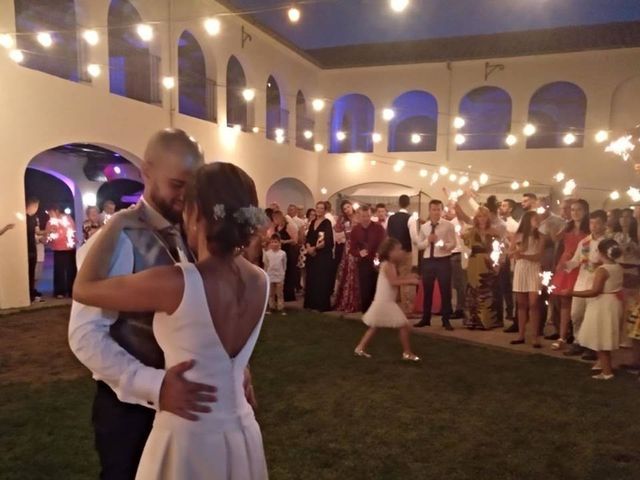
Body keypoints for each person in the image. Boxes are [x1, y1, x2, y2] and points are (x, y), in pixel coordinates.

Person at [69, 130, 255, 480]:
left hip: (196, 410)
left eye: (194, 186)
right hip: (131, 410)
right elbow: (85, 335)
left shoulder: (198, 233)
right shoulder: (117, 240)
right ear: (146, 172)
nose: (187, 197)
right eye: (177, 184)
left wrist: (232, 367)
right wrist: (153, 385)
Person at [354, 238, 421, 361]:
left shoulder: (389, 265)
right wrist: (410, 281)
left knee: (375, 326)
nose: (401, 252)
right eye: (398, 249)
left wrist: (409, 276)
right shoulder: (387, 265)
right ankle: (407, 353)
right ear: (390, 252)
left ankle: (360, 348)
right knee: (404, 325)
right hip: (385, 302)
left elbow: (395, 278)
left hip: (383, 301)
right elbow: (393, 281)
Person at [567, 239, 623, 380]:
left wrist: (572, 293)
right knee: (605, 335)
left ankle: (607, 372)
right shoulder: (617, 267)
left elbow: (595, 291)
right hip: (613, 302)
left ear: (602, 253)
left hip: (603, 304)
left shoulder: (603, 270)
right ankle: (603, 364)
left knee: (601, 336)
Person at [562, 210, 609, 360]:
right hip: (581, 283)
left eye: (597, 223)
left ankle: (591, 346)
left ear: (604, 225)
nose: (593, 226)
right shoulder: (584, 242)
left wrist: (600, 264)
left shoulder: (607, 243)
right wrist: (566, 263)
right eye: (591, 223)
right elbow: (577, 260)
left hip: (597, 285)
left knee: (592, 317)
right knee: (576, 314)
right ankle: (578, 341)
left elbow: (612, 262)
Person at [551, 199, 590, 350]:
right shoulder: (567, 227)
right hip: (567, 265)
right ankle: (562, 335)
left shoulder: (588, 230)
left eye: (578, 209)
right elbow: (555, 237)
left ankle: (580, 337)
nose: (575, 212)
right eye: (573, 209)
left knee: (580, 303)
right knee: (565, 301)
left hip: (581, 265)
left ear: (585, 211)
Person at [414, 199, 456, 331]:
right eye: (434, 209)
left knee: (445, 290)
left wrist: (444, 245)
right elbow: (419, 245)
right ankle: (426, 318)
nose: (436, 212)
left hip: (442, 259)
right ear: (429, 210)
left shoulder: (448, 225)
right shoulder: (425, 227)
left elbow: (453, 243)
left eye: (438, 209)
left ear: (441, 210)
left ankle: (446, 319)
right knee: (427, 290)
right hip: (428, 260)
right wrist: (428, 241)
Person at [463, 207, 502, 330]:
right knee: (473, 289)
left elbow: (498, 249)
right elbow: (465, 243)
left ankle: (486, 321)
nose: (482, 219)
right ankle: (472, 320)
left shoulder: (494, 231)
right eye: (479, 216)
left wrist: (497, 264)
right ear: (476, 218)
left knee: (486, 290)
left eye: (484, 216)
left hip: (488, 262)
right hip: (474, 263)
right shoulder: (471, 232)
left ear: (488, 218)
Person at [509, 211, 544, 347]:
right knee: (521, 304)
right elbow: (510, 253)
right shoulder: (518, 236)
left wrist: (523, 255)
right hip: (521, 269)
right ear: (529, 220)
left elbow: (539, 256)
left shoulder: (540, 237)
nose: (538, 221)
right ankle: (521, 334)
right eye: (536, 219)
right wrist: (516, 252)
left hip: (534, 269)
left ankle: (535, 336)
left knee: (534, 304)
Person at [350, 205, 386, 312]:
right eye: (363, 216)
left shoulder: (378, 228)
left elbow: (384, 244)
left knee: (377, 288)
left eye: (368, 216)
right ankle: (366, 312)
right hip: (363, 262)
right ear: (359, 216)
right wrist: (358, 253)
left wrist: (379, 255)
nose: (366, 218)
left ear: (371, 215)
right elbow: (351, 249)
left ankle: (376, 312)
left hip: (377, 261)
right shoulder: (355, 230)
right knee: (365, 288)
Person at [386, 195, 418, 316]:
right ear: (408, 204)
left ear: (398, 203)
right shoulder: (410, 219)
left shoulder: (391, 218)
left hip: (393, 252)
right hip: (405, 252)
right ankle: (407, 309)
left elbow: (388, 235)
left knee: (394, 280)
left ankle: (392, 307)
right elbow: (414, 237)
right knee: (405, 280)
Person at [304, 201, 335, 312]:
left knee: (321, 280)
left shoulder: (326, 223)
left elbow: (326, 239)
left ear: (325, 210)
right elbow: (308, 237)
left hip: (322, 255)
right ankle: (311, 303)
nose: (319, 210)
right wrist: (308, 247)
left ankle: (320, 305)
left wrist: (315, 248)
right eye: (317, 208)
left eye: (321, 208)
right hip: (311, 255)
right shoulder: (312, 222)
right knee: (311, 279)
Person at [334, 200, 361, 312]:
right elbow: (336, 229)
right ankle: (346, 300)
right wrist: (339, 220)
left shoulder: (358, 217)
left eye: (348, 207)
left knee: (356, 272)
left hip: (358, 247)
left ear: (352, 207)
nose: (347, 210)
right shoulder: (343, 220)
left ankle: (357, 301)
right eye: (344, 209)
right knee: (347, 272)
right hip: (348, 247)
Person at [46, 204, 77, 298]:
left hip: (69, 249)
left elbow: (73, 231)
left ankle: (72, 290)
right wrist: (50, 234)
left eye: (51, 212)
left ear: (57, 211)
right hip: (58, 249)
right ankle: (60, 292)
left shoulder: (68, 219)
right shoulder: (50, 222)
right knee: (59, 271)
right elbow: (48, 236)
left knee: (71, 270)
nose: (50, 215)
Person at [271, 211, 298, 303]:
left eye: (276, 218)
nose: (275, 221)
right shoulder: (276, 228)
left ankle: (288, 294)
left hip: (288, 251)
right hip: (278, 251)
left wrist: (284, 241)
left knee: (288, 272)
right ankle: (277, 294)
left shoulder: (288, 226)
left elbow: (295, 240)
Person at [263, 233, 287, 315]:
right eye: (272, 242)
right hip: (270, 275)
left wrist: (283, 274)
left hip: (279, 275)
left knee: (279, 293)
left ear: (279, 243)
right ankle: (271, 307)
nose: (274, 244)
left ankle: (281, 307)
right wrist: (265, 275)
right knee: (271, 293)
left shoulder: (282, 254)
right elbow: (266, 265)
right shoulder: (267, 254)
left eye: (276, 242)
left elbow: (284, 265)